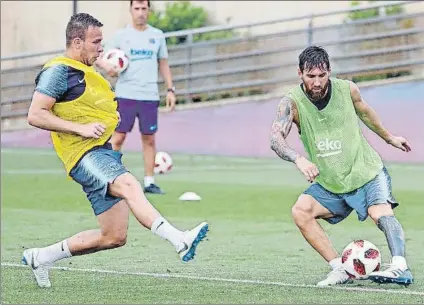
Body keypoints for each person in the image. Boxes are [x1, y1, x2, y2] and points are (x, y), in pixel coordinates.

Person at [23, 13, 208, 289]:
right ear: (77, 42)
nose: (101, 48)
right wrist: (80, 128)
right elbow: (35, 114)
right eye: (96, 42)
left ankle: (41, 257)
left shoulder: (86, 70)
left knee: (114, 236)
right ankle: (179, 240)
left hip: (101, 151)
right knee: (130, 184)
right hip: (83, 154)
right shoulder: (58, 71)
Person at [270, 45, 413, 287]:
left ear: (329, 72)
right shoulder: (291, 103)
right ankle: (340, 268)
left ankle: (400, 267)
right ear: (300, 73)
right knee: (301, 211)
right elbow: (275, 139)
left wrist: (389, 138)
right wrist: (299, 158)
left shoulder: (348, 90)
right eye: (310, 76)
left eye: (322, 75)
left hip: (365, 171)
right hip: (331, 182)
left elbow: (366, 114)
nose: (316, 82)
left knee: (379, 212)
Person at [96, 0, 175, 195]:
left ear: (149, 10)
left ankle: (149, 182)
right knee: (119, 136)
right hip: (126, 95)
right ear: (131, 10)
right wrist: (107, 67)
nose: (140, 12)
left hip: (149, 95)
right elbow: (99, 56)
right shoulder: (122, 36)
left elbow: (163, 63)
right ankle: (109, 178)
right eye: (137, 9)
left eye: (144, 9)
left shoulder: (157, 36)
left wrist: (170, 89)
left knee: (149, 139)